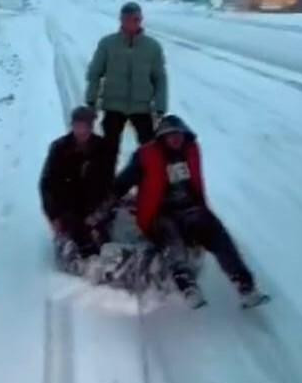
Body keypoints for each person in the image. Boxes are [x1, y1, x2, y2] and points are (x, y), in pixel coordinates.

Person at [110, 114, 269, 309]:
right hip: (159, 213)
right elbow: (123, 183)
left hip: (189, 209)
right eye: (170, 135)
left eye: (179, 135)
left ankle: (244, 285)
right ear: (162, 138)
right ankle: (187, 286)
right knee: (171, 238)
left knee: (218, 234)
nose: (175, 139)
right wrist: (107, 202)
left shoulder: (190, 152)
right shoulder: (146, 156)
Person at [85, 1, 168, 181]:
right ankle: (106, 191)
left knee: (149, 151)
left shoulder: (152, 47)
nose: (133, 22)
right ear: (121, 20)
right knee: (109, 151)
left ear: (141, 20)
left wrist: (160, 106)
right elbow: (95, 73)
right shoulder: (108, 44)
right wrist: (91, 102)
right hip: (113, 105)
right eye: (129, 19)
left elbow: (160, 78)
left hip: (142, 108)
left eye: (137, 19)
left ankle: (149, 188)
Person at [39, 106, 110, 268]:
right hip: (68, 204)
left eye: (85, 126)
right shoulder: (59, 148)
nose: (81, 130)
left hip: (94, 202)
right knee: (80, 236)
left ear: (91, 127)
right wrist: (53, 215)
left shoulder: (102, 147)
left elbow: (108, 180)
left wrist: (104, 206)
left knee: (107, 233)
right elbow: (46, 183)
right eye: (77, 126)